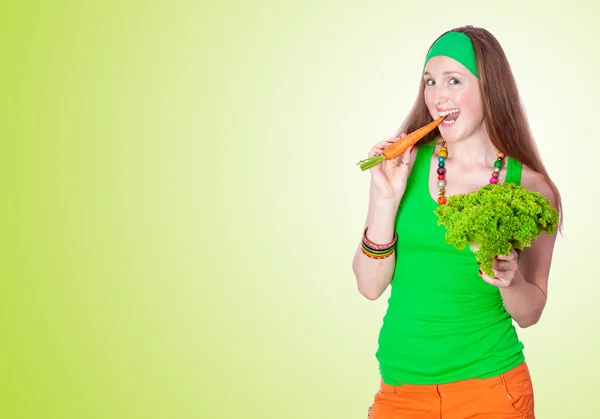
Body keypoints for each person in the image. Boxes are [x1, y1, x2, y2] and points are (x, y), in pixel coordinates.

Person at [352, 26, 562, 419]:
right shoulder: (404, 166)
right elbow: (369, 286)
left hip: (493, 390)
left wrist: (510, 280)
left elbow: (530, 313)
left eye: (454, 80)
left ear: (489, 89)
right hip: (400, 391)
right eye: (430, 81)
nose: (437, 95)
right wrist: (385, 199)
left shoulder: (532, 188)